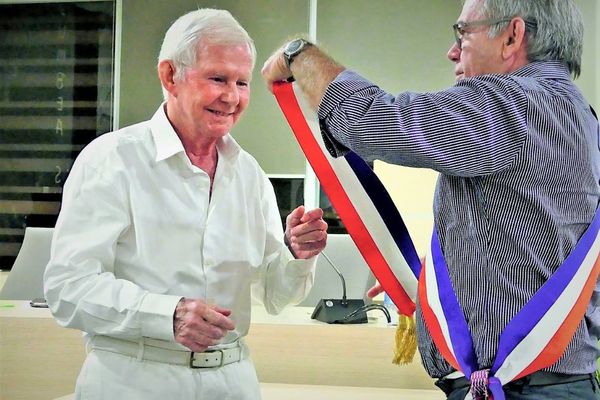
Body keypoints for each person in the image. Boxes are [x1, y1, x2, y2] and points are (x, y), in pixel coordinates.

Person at [262, 0, 600, 399]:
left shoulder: (513, 103)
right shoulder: (576, 114)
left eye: (463, 34)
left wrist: (299, 54)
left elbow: (374, 120)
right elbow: (527, 242)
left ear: (512, 36)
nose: (452, 51)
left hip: (520, 389)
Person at [44, 8, 327, 400]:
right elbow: (67, 288)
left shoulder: (249, 174)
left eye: (242, 83)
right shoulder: (112, 160)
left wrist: (299, 254)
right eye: (217, 78)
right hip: (134, 381)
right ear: (169, 76)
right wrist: (166, 315)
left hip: (234, 381)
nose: (232, 97)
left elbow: (276, 297)